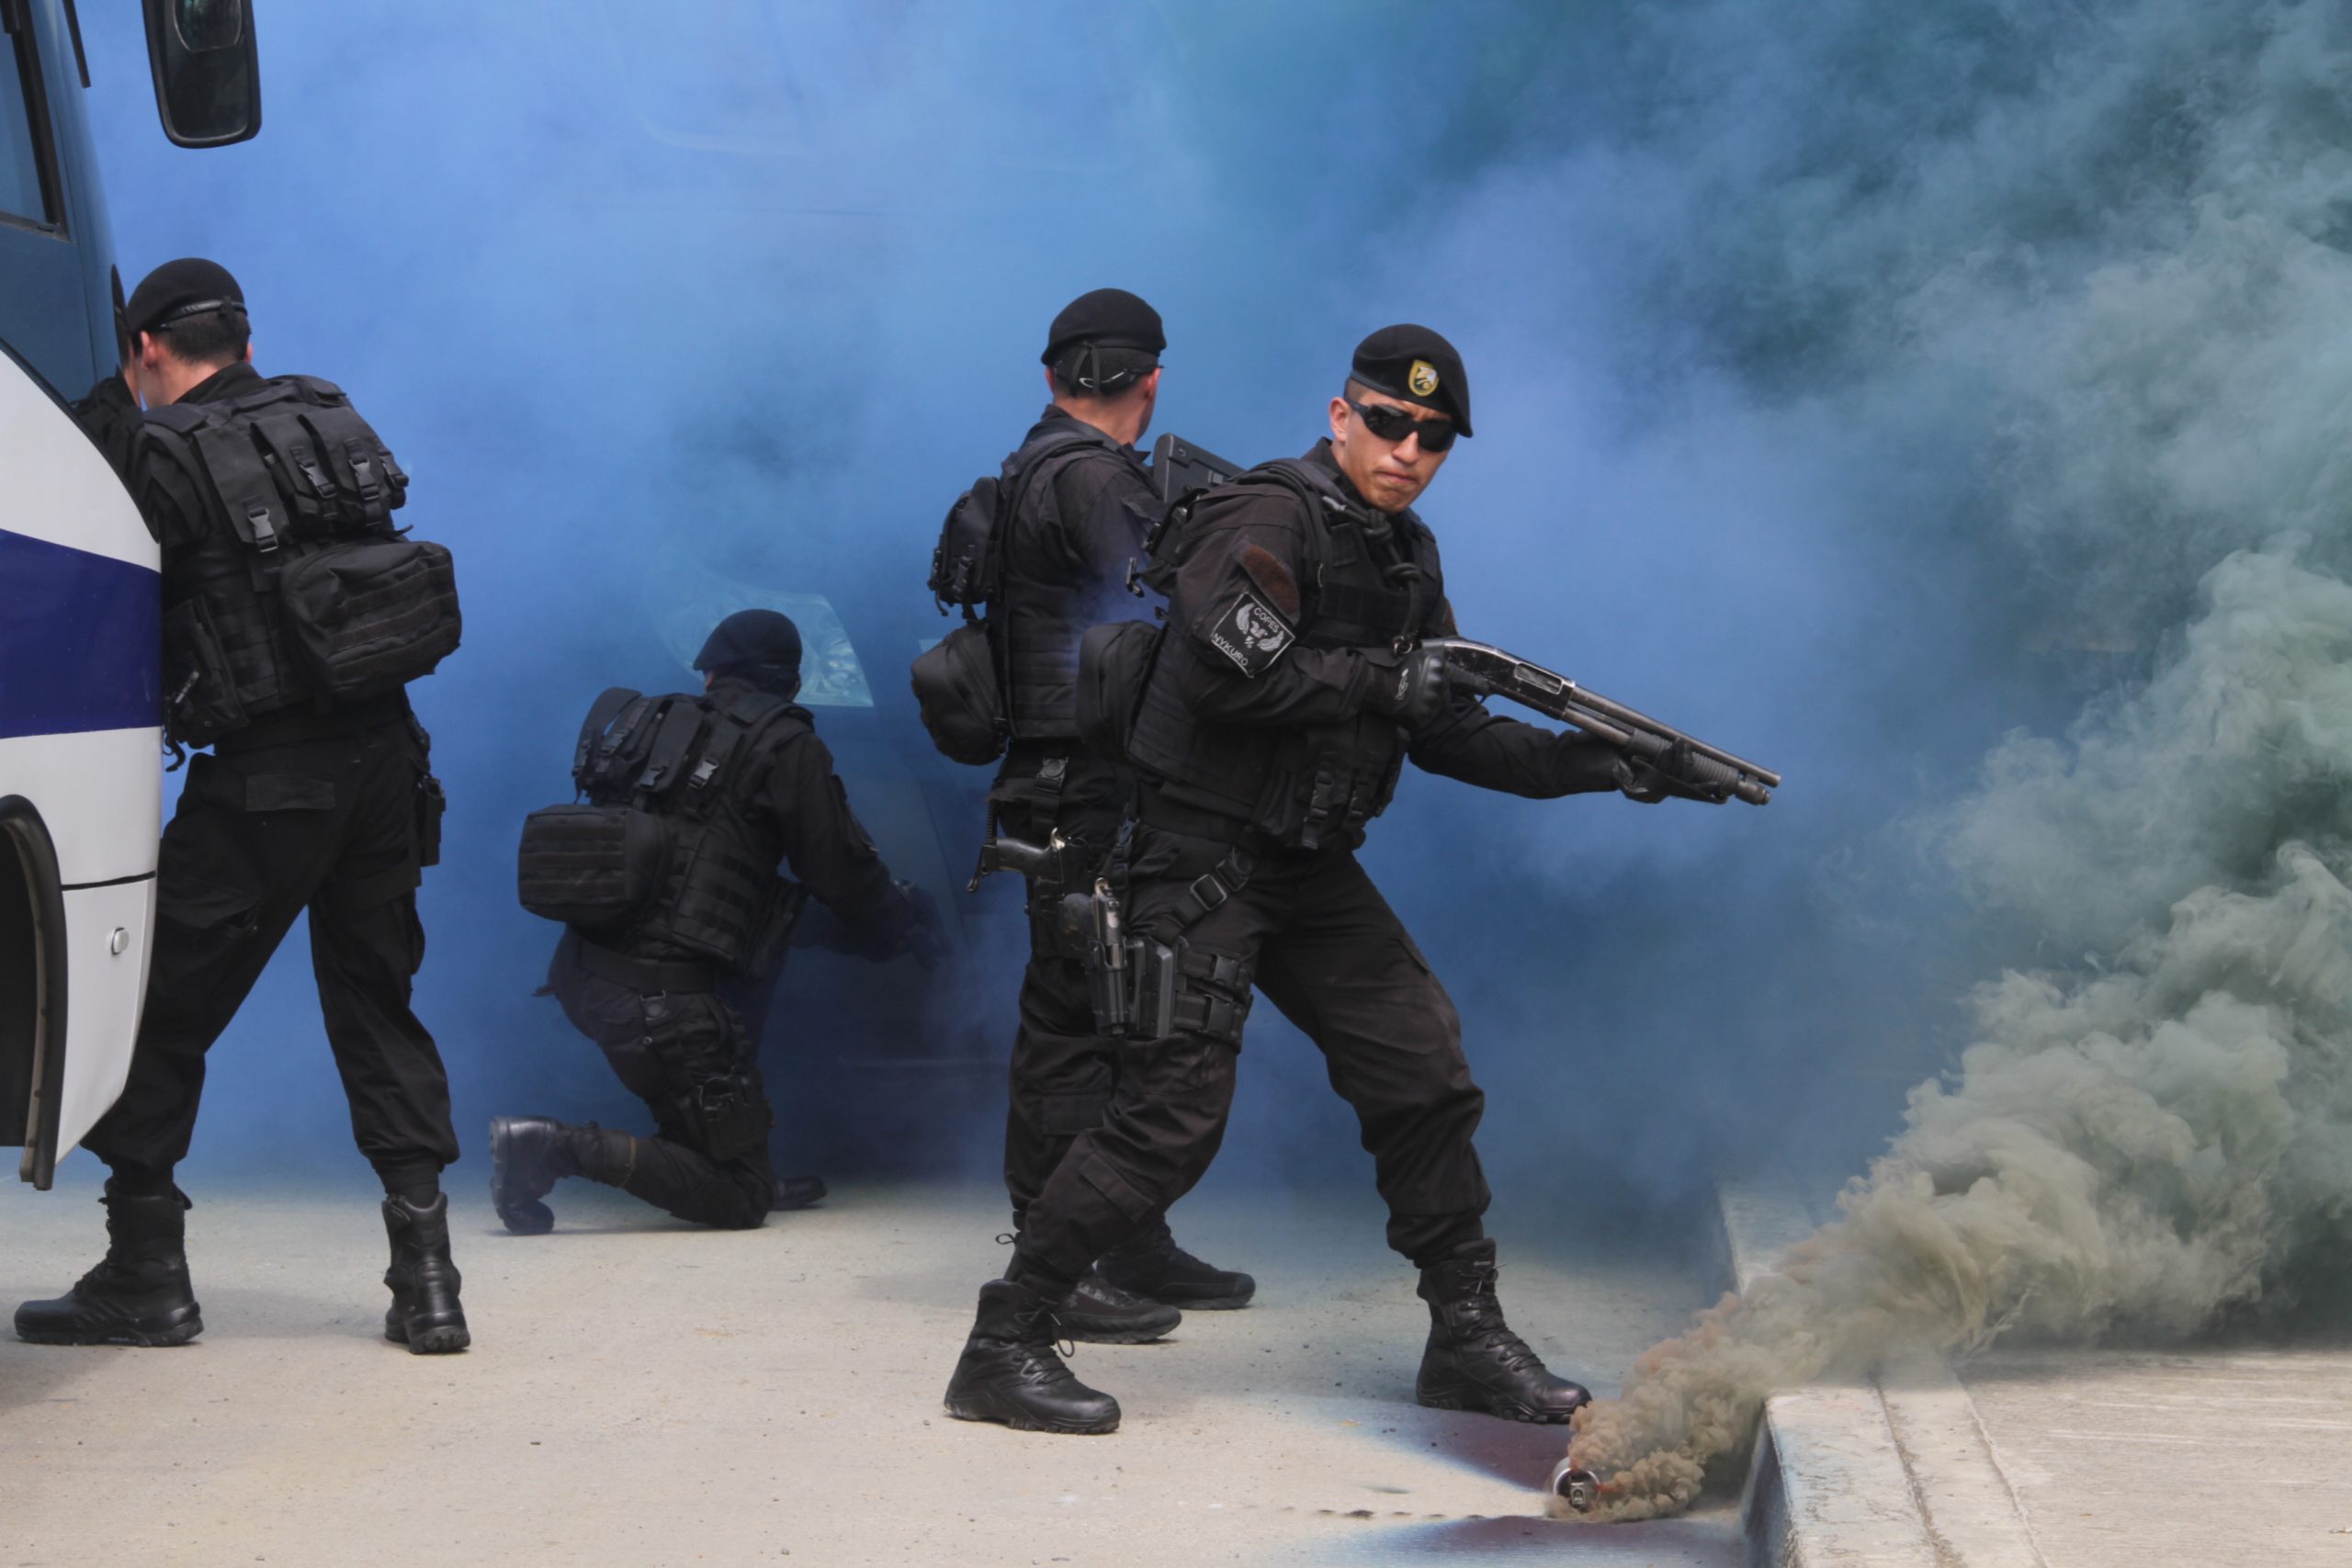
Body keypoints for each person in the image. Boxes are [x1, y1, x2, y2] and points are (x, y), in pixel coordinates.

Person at [943, 324, 1724, 1434]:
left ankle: (1464, 1336)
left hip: (1307, 866)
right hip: (1196, 856)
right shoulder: (1267, 514)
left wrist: (1599, 767)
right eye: (1392, 423)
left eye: (1435, 437)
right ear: (1341, 414)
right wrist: (1390, 681)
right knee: (1171, 1115)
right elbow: (1222, 676)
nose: (1410, 449)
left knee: (1424, 1069)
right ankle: (1003, 1339)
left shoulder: (1405, 555)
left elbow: (1448, 731)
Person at [17, 258, 471, 1354]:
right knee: (379, 1011)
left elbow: (65, 488)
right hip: (384, 768)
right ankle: (429, 1285)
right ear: (248, 342)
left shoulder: (153, 446)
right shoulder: (328, 416)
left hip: (270, 784)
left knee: (154, 1017)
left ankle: (145, 1275)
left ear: (148, 352)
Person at [978, 288, 1253, 1344]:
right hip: (1081, 783)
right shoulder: (1094, 478)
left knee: (1121, 1016)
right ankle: (1056, 1253)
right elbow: (1186, 600)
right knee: (1075, 1024)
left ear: (1050, 377)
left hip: (1069, 777)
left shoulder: (1033, 466)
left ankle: (1123, 1231)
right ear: (1149, 381)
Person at [492, 609, 944, 1233]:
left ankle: (723, 1150)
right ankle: (552, 1145)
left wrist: (862, 931)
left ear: (708, 675)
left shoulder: (647, 726)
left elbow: (719, 897)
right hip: (666, 1009)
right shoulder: (785, 744)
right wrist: (899, 926)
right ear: (792, 685)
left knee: (763, 934)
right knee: (740, 1197)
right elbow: (840, 872)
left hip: (584, 972)